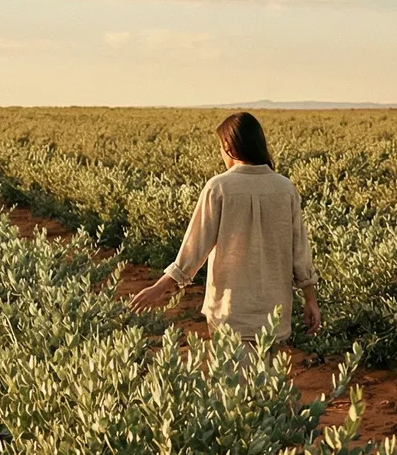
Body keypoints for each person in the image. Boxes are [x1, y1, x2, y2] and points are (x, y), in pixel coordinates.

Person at [129, 111, 320, 343]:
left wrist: (160, 287)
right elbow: (300, 251)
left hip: (230, 312)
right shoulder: (285, 188)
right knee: (269, 367)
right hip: (275, 314)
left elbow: (194, 248)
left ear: (229, 147)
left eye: (221, 146)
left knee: (231, 367)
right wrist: (311, 299)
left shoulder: (219, 187)